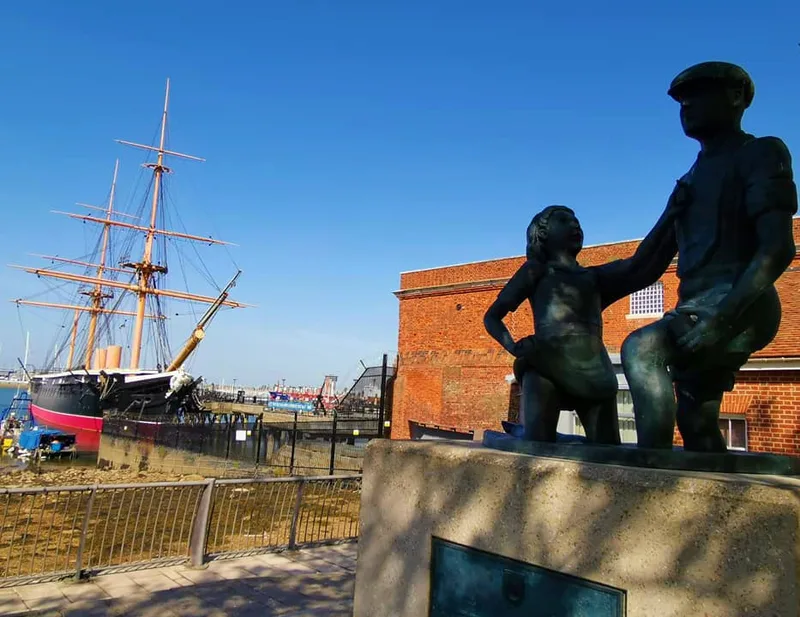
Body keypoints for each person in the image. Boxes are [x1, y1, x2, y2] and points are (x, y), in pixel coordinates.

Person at [619, 61, 797, 452]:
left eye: (697, 95)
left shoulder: (761, 153)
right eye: (681, 100)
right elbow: (643, 266)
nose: (686, 106)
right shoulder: (689, 179)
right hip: (694, 308)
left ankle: (651, 464)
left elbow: (778, 248)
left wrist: (721, 320)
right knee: (695, 422)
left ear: (735, 97)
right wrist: (573, 285)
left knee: (641, 348)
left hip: (738, 305)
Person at [484, 201, 681, 443]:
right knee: (537, 445)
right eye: (564, 220)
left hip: (595, 373)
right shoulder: (536, 271)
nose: (575, 224)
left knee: (607, 449)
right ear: (543, 233)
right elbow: (492, 317)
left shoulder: (595, 278)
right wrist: (514, 347)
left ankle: (560, 438)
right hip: (546, 366)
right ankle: (517, 435)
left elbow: (642, 266)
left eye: (576, 220)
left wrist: (672, 216)